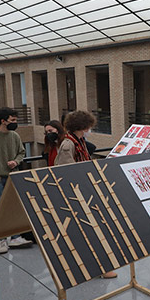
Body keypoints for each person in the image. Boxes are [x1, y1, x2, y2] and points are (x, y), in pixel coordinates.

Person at [55, 110, 118, 279]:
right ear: (82, 127)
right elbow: (66, 171)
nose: (90, 129)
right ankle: (99, 267)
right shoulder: (69, 144)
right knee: (90, 231)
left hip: (83, 191)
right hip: (77, 193)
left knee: (91, 231)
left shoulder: (79, 141)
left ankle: (95, 266)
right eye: (88, 127)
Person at [0, 107, 32, 254]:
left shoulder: (15, 136)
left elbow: (21, 152)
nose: (15, 122)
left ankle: (15, 237)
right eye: (12, 120)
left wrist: (16, 161)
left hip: (11, 176)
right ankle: (1, 240)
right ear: (3, 120)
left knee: (14, 207)